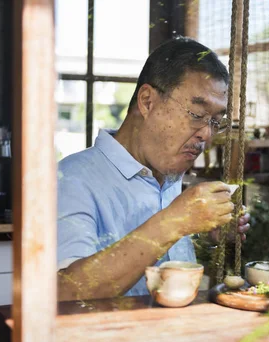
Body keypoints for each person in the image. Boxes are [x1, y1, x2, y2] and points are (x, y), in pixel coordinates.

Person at [57, 37, 250, 300]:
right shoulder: (69, 179)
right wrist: (175, 221)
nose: (206, 134)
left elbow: (160, 262)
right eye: (196, 115)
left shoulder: (169, 175)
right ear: (147, 101)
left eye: (216, 122)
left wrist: (207, 236)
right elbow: (64, 292)